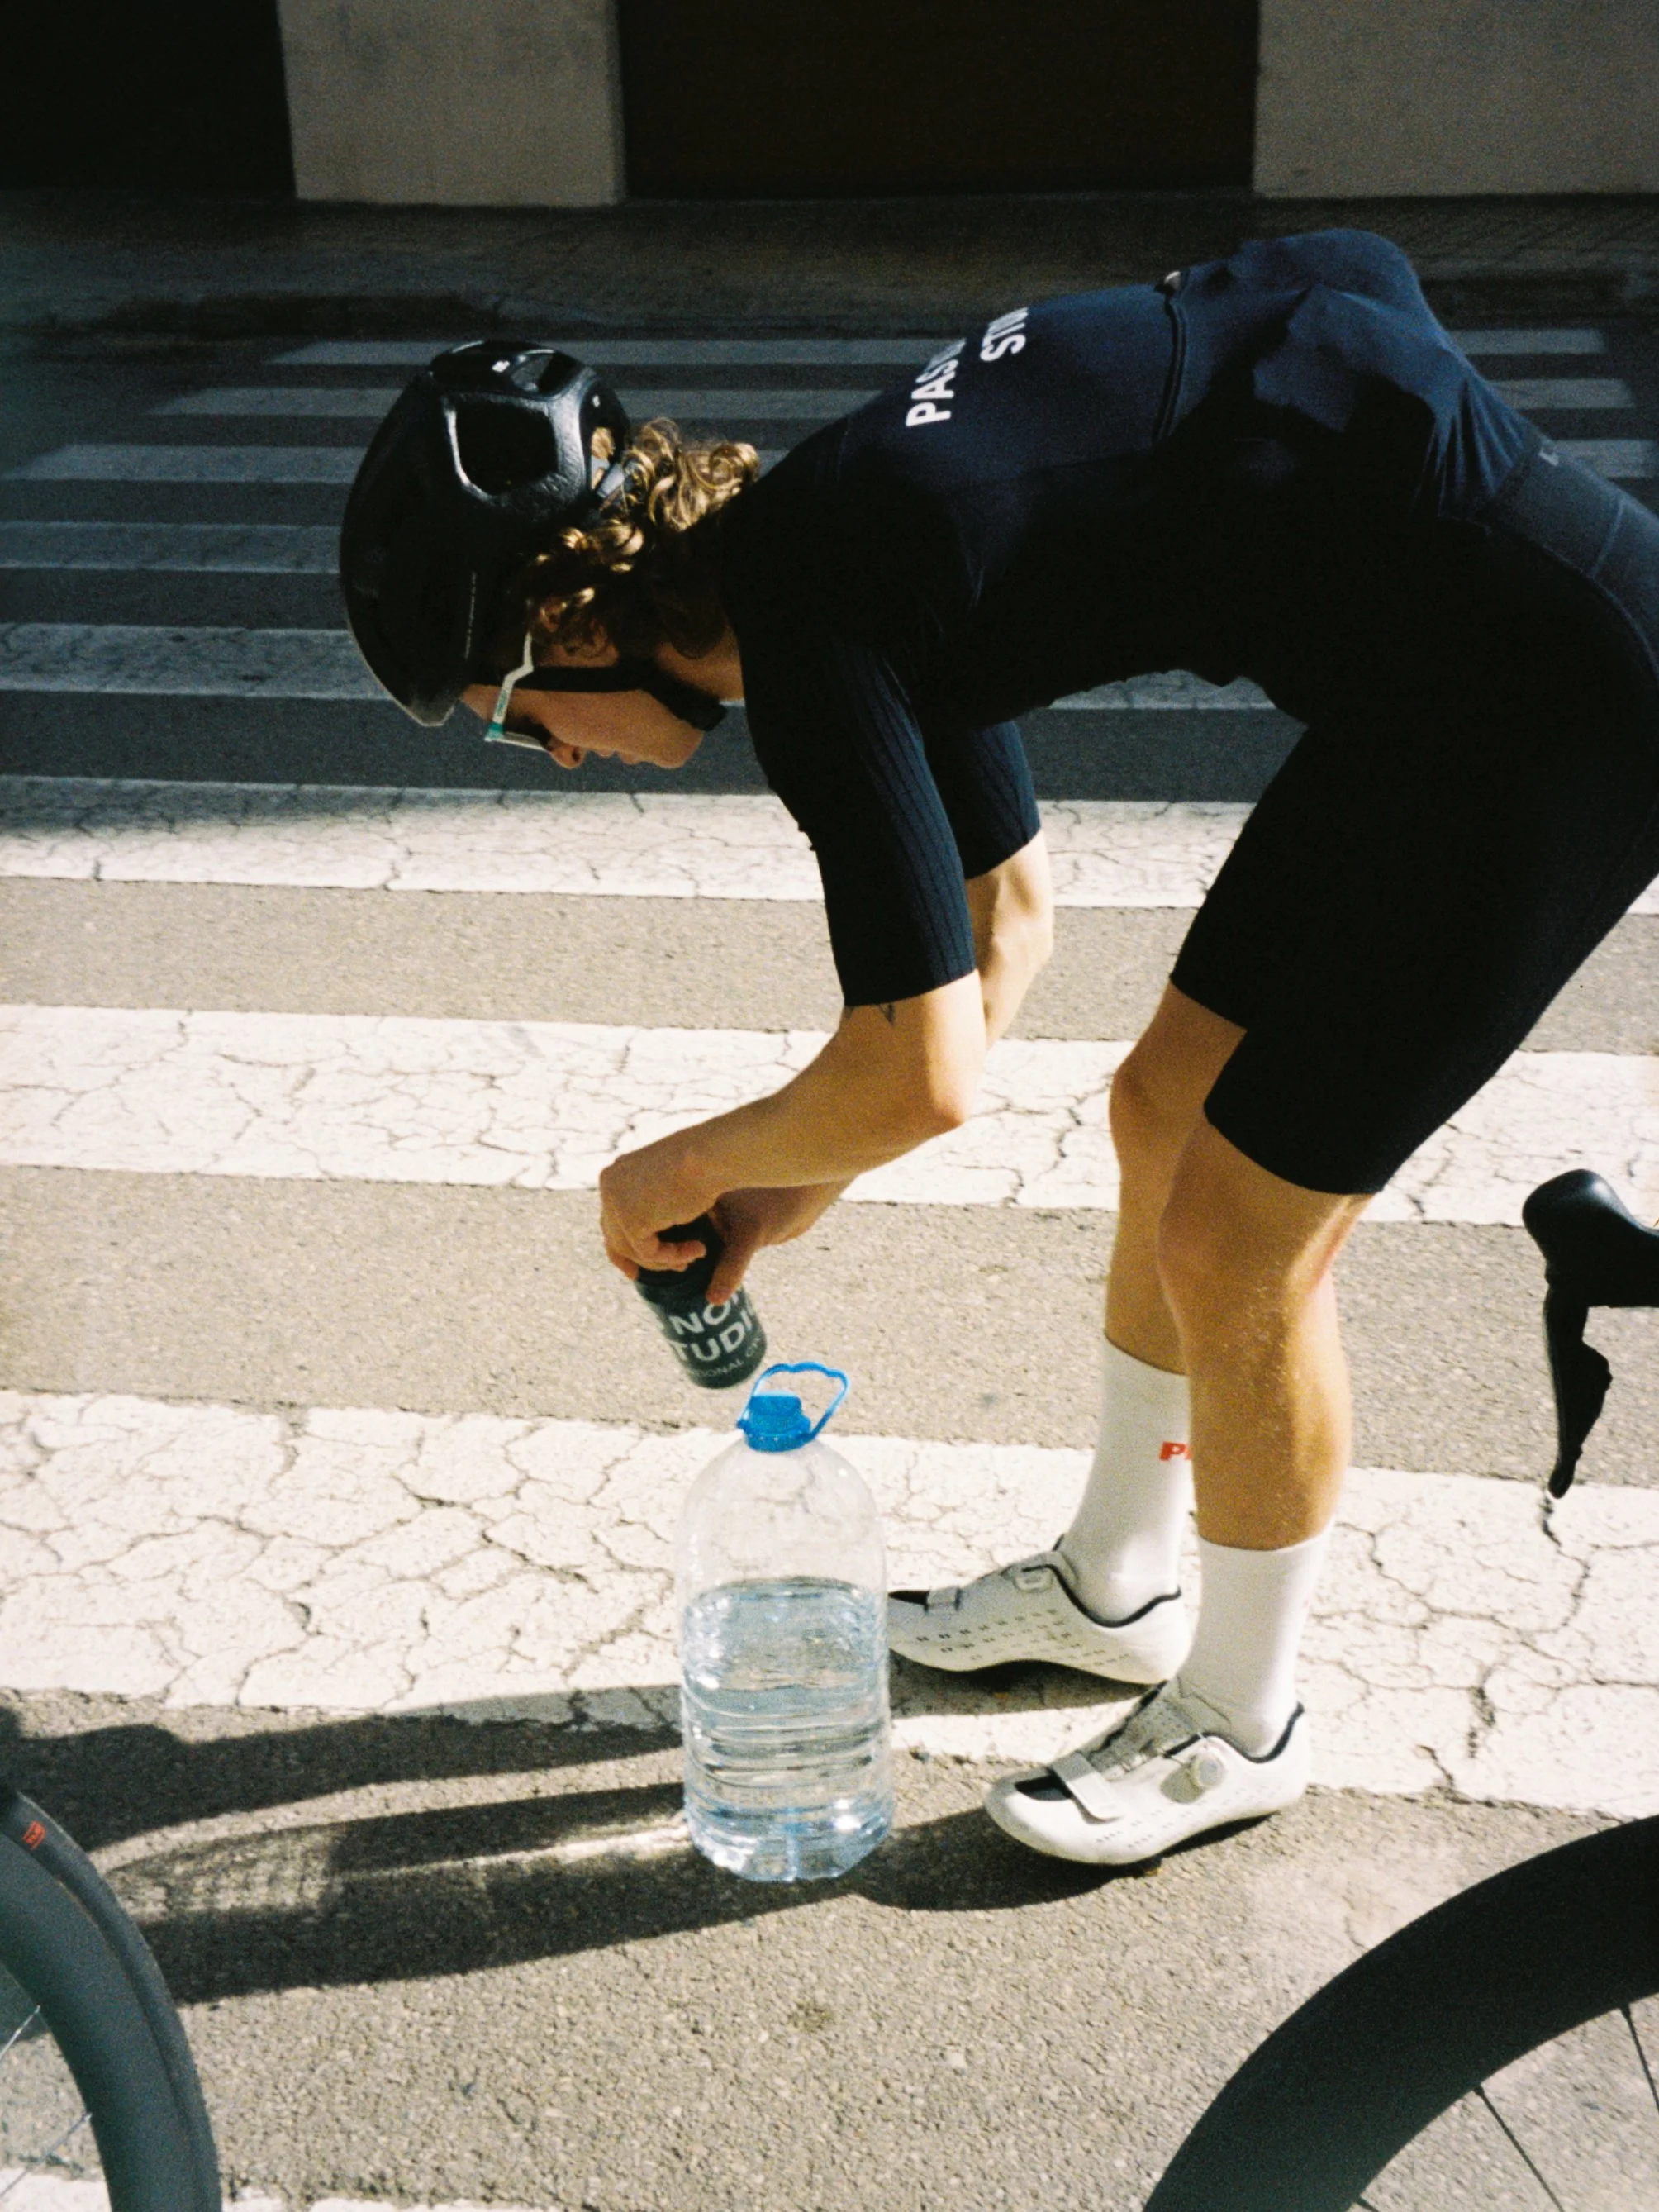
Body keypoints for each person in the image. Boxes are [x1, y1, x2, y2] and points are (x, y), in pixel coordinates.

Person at [340, 231, 1659, 1866]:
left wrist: (673, 1171)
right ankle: (1116, 1586)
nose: (543, 755)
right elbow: (1005, 921)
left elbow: (923, 1073)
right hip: (1424, 688)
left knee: (1243, 1238)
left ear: (571, 619)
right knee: (1159, 1109)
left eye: (511, 710)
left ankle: (1241, 1719)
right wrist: (798, 1179)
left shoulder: (818, 615)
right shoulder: (833, 540)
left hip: (1554, 710)